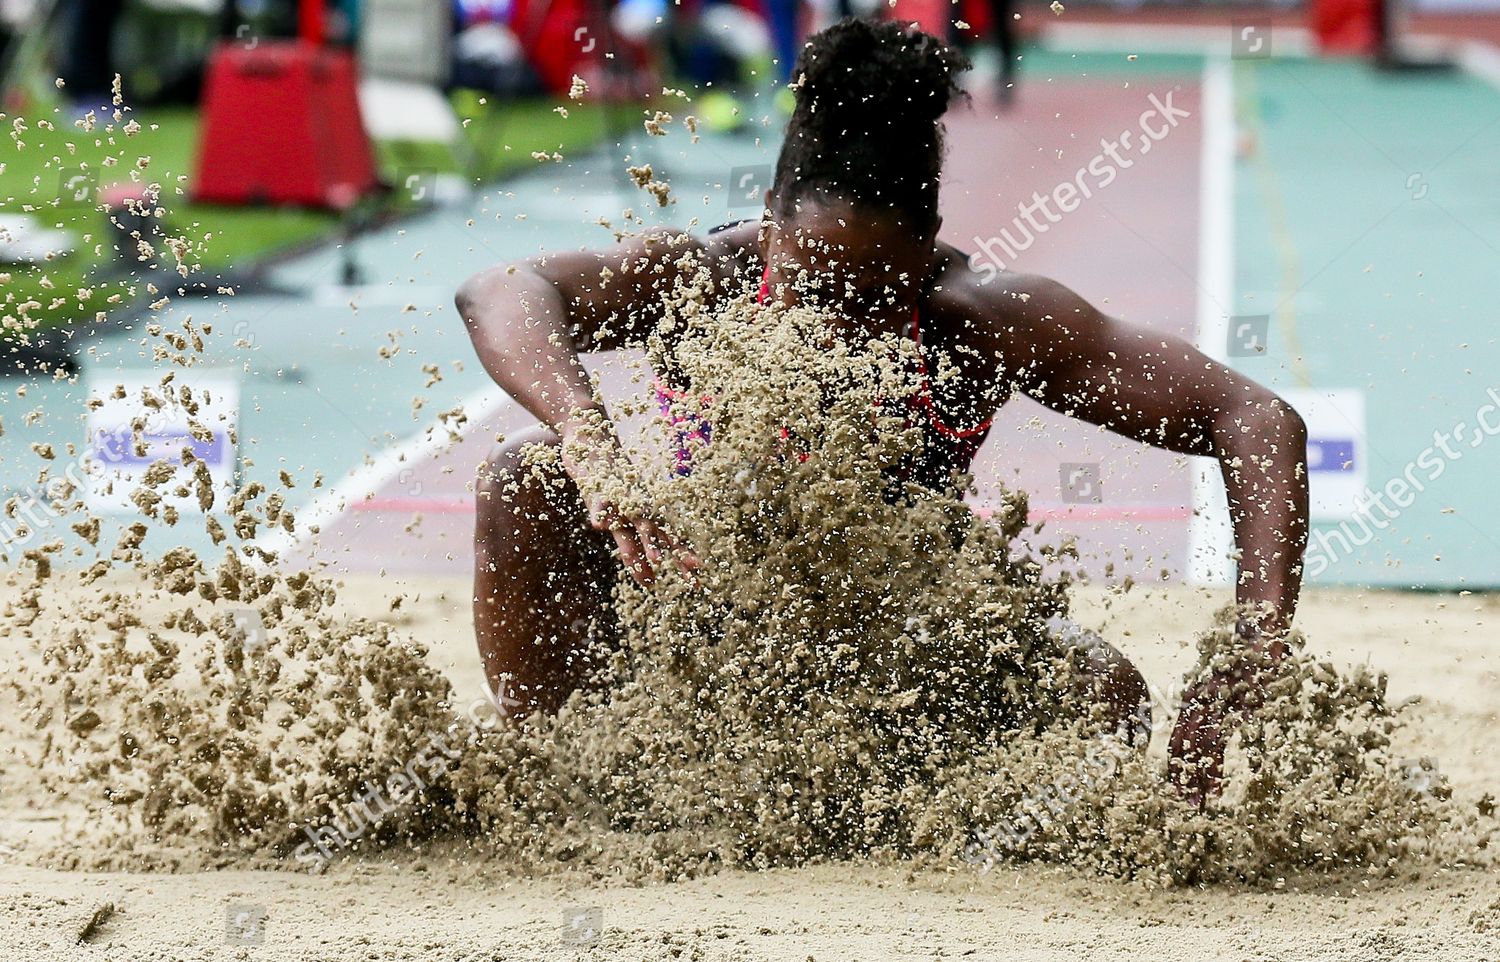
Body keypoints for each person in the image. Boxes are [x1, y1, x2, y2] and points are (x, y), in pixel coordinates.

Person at [455, 18, 1309, 806]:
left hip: (902, 657)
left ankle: (896, 812)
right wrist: (592, 442)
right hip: (698, 639)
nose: (838, 324)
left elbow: (1256, 420)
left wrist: (1255, 645)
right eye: (814, 286)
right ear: (770, 228)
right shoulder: (701, 281)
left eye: (874, 297)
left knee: (1106, 693)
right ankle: (558, 789)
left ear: (929, 242)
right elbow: (500, 289)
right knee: (525, 474)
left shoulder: (980, 321)